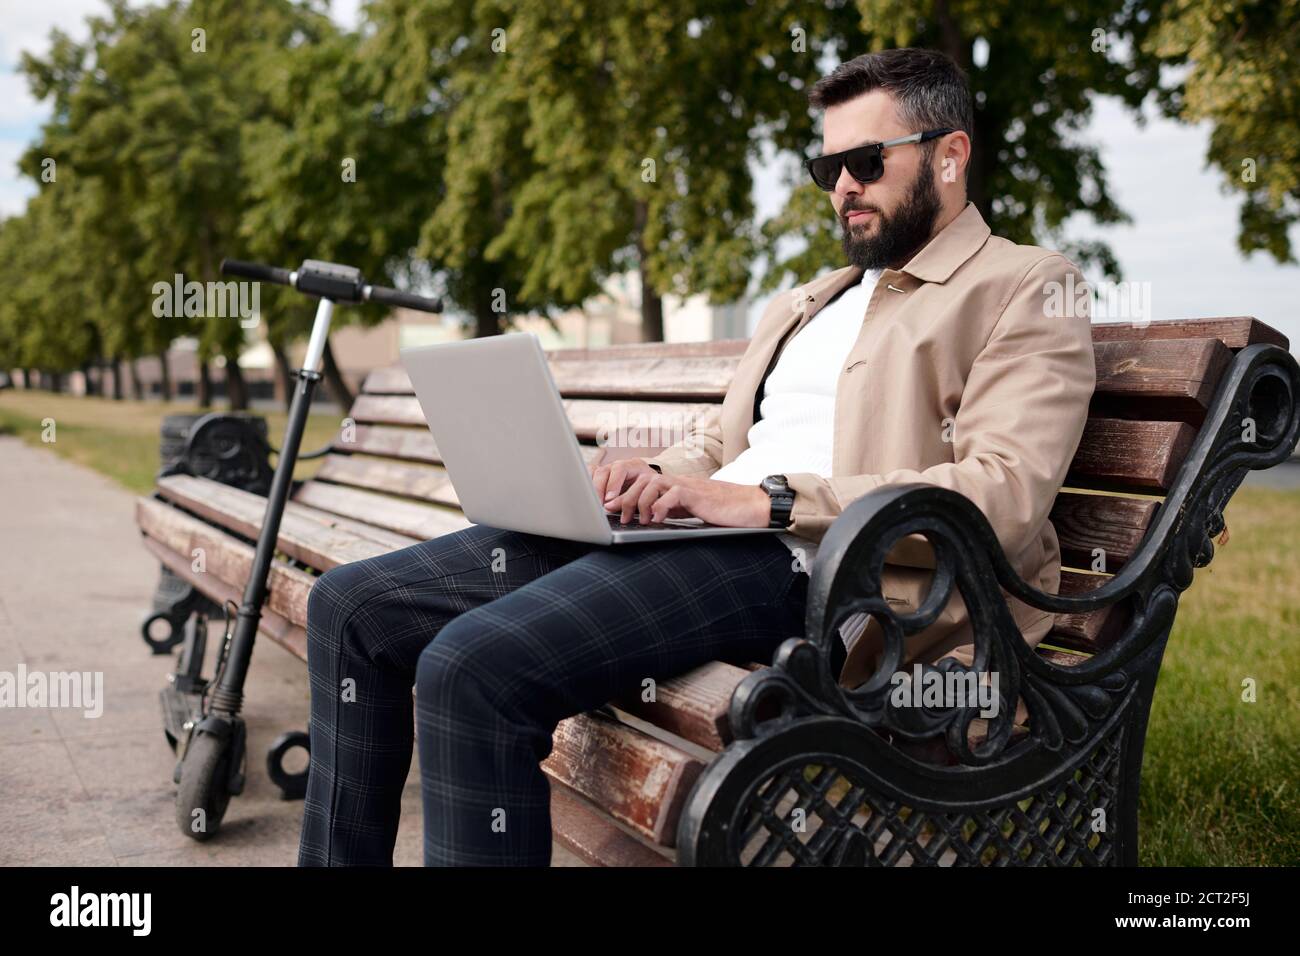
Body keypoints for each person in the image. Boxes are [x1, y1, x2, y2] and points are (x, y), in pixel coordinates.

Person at [297, 47, 1095, 867]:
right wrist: (660, 478)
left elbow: (1001, 494)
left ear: (950, 155)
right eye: (828, 169)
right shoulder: (814, 299)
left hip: (814, 569)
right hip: (700, 534)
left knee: (473, 670)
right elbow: (724, 438)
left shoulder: (1024, 287)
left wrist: (768, 503)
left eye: (865, 162)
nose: (843, 187)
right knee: (353, 610)